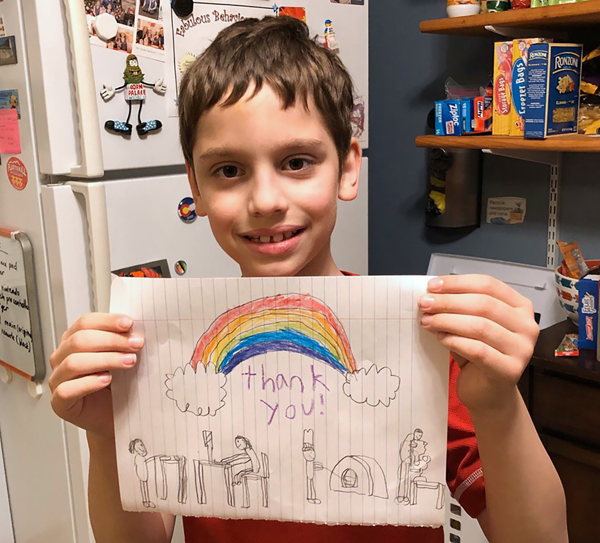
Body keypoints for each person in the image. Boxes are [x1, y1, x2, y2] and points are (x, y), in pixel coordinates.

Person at [48, 15, 568, 543]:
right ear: (195, 189)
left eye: (297, 161)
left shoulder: (424, 341)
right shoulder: (164, 353)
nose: (267, 200)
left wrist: (500, 405)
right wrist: (106, 435)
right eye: (228, 170)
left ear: (347, 169)